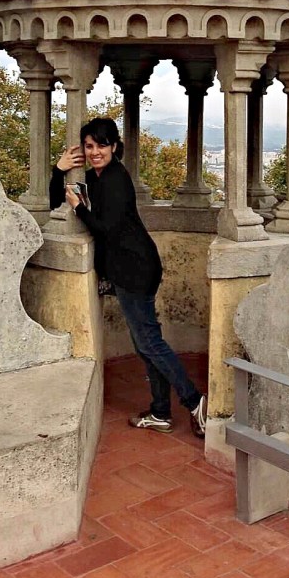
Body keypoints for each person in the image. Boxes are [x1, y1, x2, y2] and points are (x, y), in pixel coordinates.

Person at [50, 117, 207, 437]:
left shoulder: (115, 180)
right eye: (89, 146)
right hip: (130, 268)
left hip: (136, 269)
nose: (95, 152)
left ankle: (194, 401)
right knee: (146, 344)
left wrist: (80, 209)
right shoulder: (96, 177)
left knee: (150, 343)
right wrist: (59, 169)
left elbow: (106, 227)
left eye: (102, 145)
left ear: (115, 147)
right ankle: (161, 412)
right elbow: (55, 200)